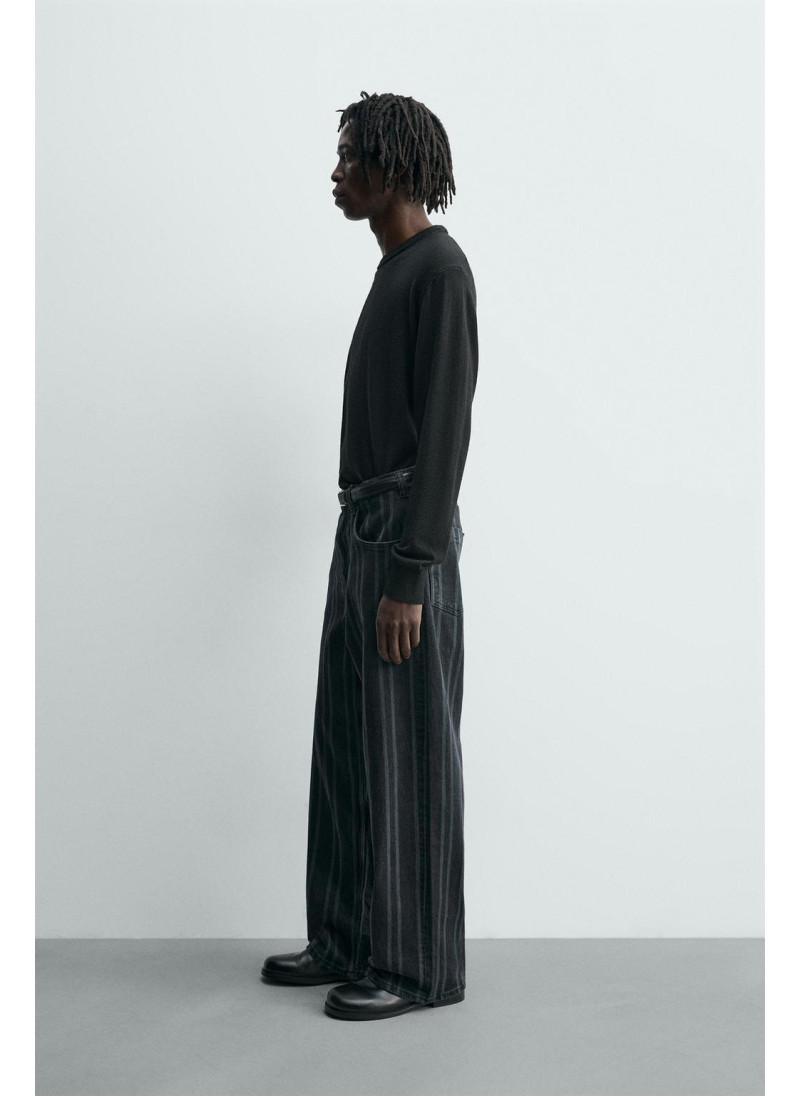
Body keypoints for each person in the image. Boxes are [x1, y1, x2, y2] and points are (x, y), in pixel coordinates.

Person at [262, 91, 479, 1020]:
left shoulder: (440, 270)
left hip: (401, 535)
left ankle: (417, 968)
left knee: (409, 753)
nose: (338, 171)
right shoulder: (394, 271)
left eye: (352, 155)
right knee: (348, 745)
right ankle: (348, 939)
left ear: (395, 165)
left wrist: (410, 569)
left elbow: (446, 433)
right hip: (360, 527)